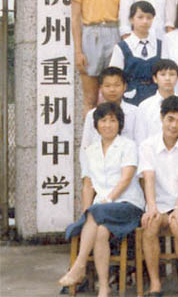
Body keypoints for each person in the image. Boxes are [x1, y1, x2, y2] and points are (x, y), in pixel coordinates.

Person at [59, 102, 145, 297]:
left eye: (112, 120)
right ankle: (104, 287)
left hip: (128, 204)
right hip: (101, 211)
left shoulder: (128, 146)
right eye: (103, 120)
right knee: (100, 232)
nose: (108, 125)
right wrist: (86, 212)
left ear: (120, 123)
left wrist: (106, 200)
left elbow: (126, 179)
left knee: (96, 212)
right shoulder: (90, 151)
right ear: (96, 124)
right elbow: (88, 184)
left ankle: (79, 265)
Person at [138, 96, 178, 296]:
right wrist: (151, 207)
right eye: (170, 119)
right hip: (159, 202)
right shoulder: (147, 145)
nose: (174, 125)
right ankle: (155, 284)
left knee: (177, 223)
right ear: (162, 118)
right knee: (150, 224)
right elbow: (148, 178)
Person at [70, 0, 127, 111]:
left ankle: (116, 128)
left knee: (115, 94)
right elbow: (75, 18)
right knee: (90, 98)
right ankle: (89, 130)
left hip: (114, 33)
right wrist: (78, 51)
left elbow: (126, 16)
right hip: (90, 35)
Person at [109, 0, 162, 105]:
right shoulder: (121, 47)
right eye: (140, 17)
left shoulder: (161, 45)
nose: (145, 21)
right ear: (131, 19)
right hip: (130, 98)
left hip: (156, 97)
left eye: (149, 17)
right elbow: (114, 77)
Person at [80, 67, 139, 159]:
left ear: (125, 86)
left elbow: (140, 143)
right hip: (98, 164)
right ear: (100, 88)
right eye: (107, 86)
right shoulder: (92, 115)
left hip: (128, 163)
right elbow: (85, 146)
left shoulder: (135, 112)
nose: (112, 89)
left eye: (117, 85)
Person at [135, 59, 178, 146]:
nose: (167, 78)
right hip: (151, 152)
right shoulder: (145, 106)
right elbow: (140, 137)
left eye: (172, 74)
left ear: (177, 78)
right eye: (163, 74)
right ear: (155, 78)